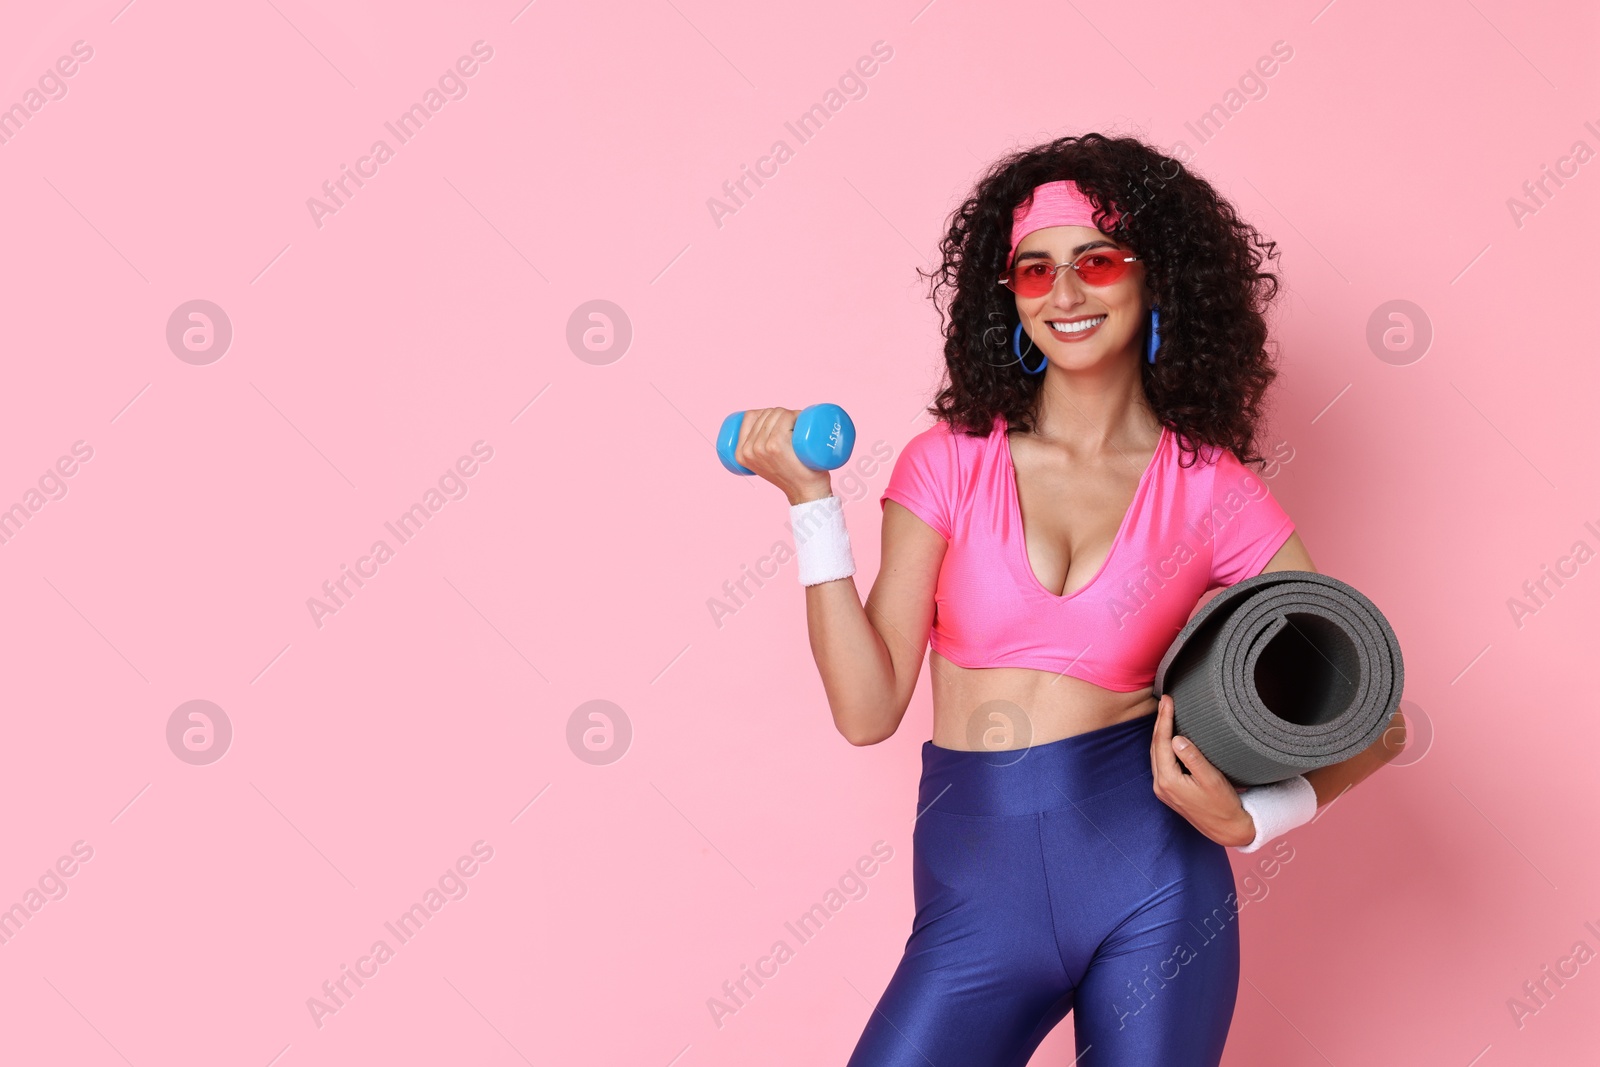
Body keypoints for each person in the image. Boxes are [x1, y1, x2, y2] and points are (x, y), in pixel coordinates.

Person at [729, 132, 1407, 1067]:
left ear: (1155, 277)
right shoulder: (948, 463)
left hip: (1157, 887)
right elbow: (866, 707)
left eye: (1097, 259)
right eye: (1035, 270)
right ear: (1005, 296)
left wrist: (1255, 818)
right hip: (976, 902)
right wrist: (812, 506)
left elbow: (1374, 719)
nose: (1067, 293)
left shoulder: (1212, 492)